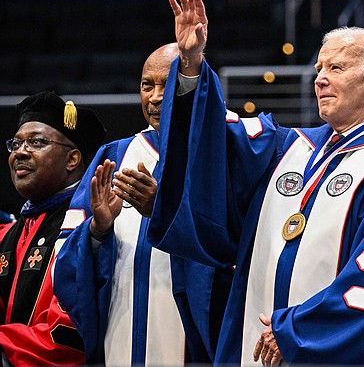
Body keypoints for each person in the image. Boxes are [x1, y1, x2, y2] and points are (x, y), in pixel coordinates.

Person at [147, 0, 364, 365]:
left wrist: (295, 331)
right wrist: (191, 65)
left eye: (336, 68)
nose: (319, 78)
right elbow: (212, 144)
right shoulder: (285, 147)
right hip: (253, 351)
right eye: (319, 68)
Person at [54, 43, 231, 365]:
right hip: (120, 324)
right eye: (147, 85)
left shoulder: (225, 152)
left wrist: (162, 211)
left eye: (167, 84)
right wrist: (98, 229)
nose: (154, 97)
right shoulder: (113, 157)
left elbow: (235, 247)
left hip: (191, 332)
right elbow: (64, 259)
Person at [0, 90, 105, 366]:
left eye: (36, 142)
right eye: (16, 143)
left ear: (72, 159)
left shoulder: (88, 227)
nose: (20, 152)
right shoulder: (8, 234)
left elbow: (69, 338)